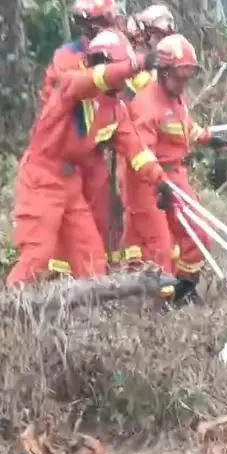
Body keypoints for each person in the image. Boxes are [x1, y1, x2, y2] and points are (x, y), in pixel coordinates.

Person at [6, 30, 158, 287]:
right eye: (121, 69)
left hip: (71, 182)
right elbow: (94, 80)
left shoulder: (116, 109)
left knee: (92, 257)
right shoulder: (71, 86)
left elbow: (136, 149)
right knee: (36, 255)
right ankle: (10, 313)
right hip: (41, 179)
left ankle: (88, 320)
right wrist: (137, 63)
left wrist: (160, 181)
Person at [121, 34, 227, 304]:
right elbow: (141, 152)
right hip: (147, 181)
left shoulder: (175, 97)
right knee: (159, 246)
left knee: (199, 235)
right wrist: (158, 183)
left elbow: (184, 127)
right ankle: (158, 306)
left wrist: (207, 139)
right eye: (178, 78)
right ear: (163, 71)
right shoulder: (146, 104)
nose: (183, 84)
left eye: (186, 78)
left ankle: (183, 290)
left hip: (174, 175)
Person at [39, 0, 122, 275]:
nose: (112, 23)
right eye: (106, 19)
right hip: (70, 150)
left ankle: (99, 273)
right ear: (89, 23)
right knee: (69, 220)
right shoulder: (67, 57)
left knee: (101, 212)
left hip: (95, 151)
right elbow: (75, 91)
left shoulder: (114, 46)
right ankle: (66, 278)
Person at [124, 4, 176, 99]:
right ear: (144, 30)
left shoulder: (155, 62)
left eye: (164, 38)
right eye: (158, 36)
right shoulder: (124, 44)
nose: (161, 42)